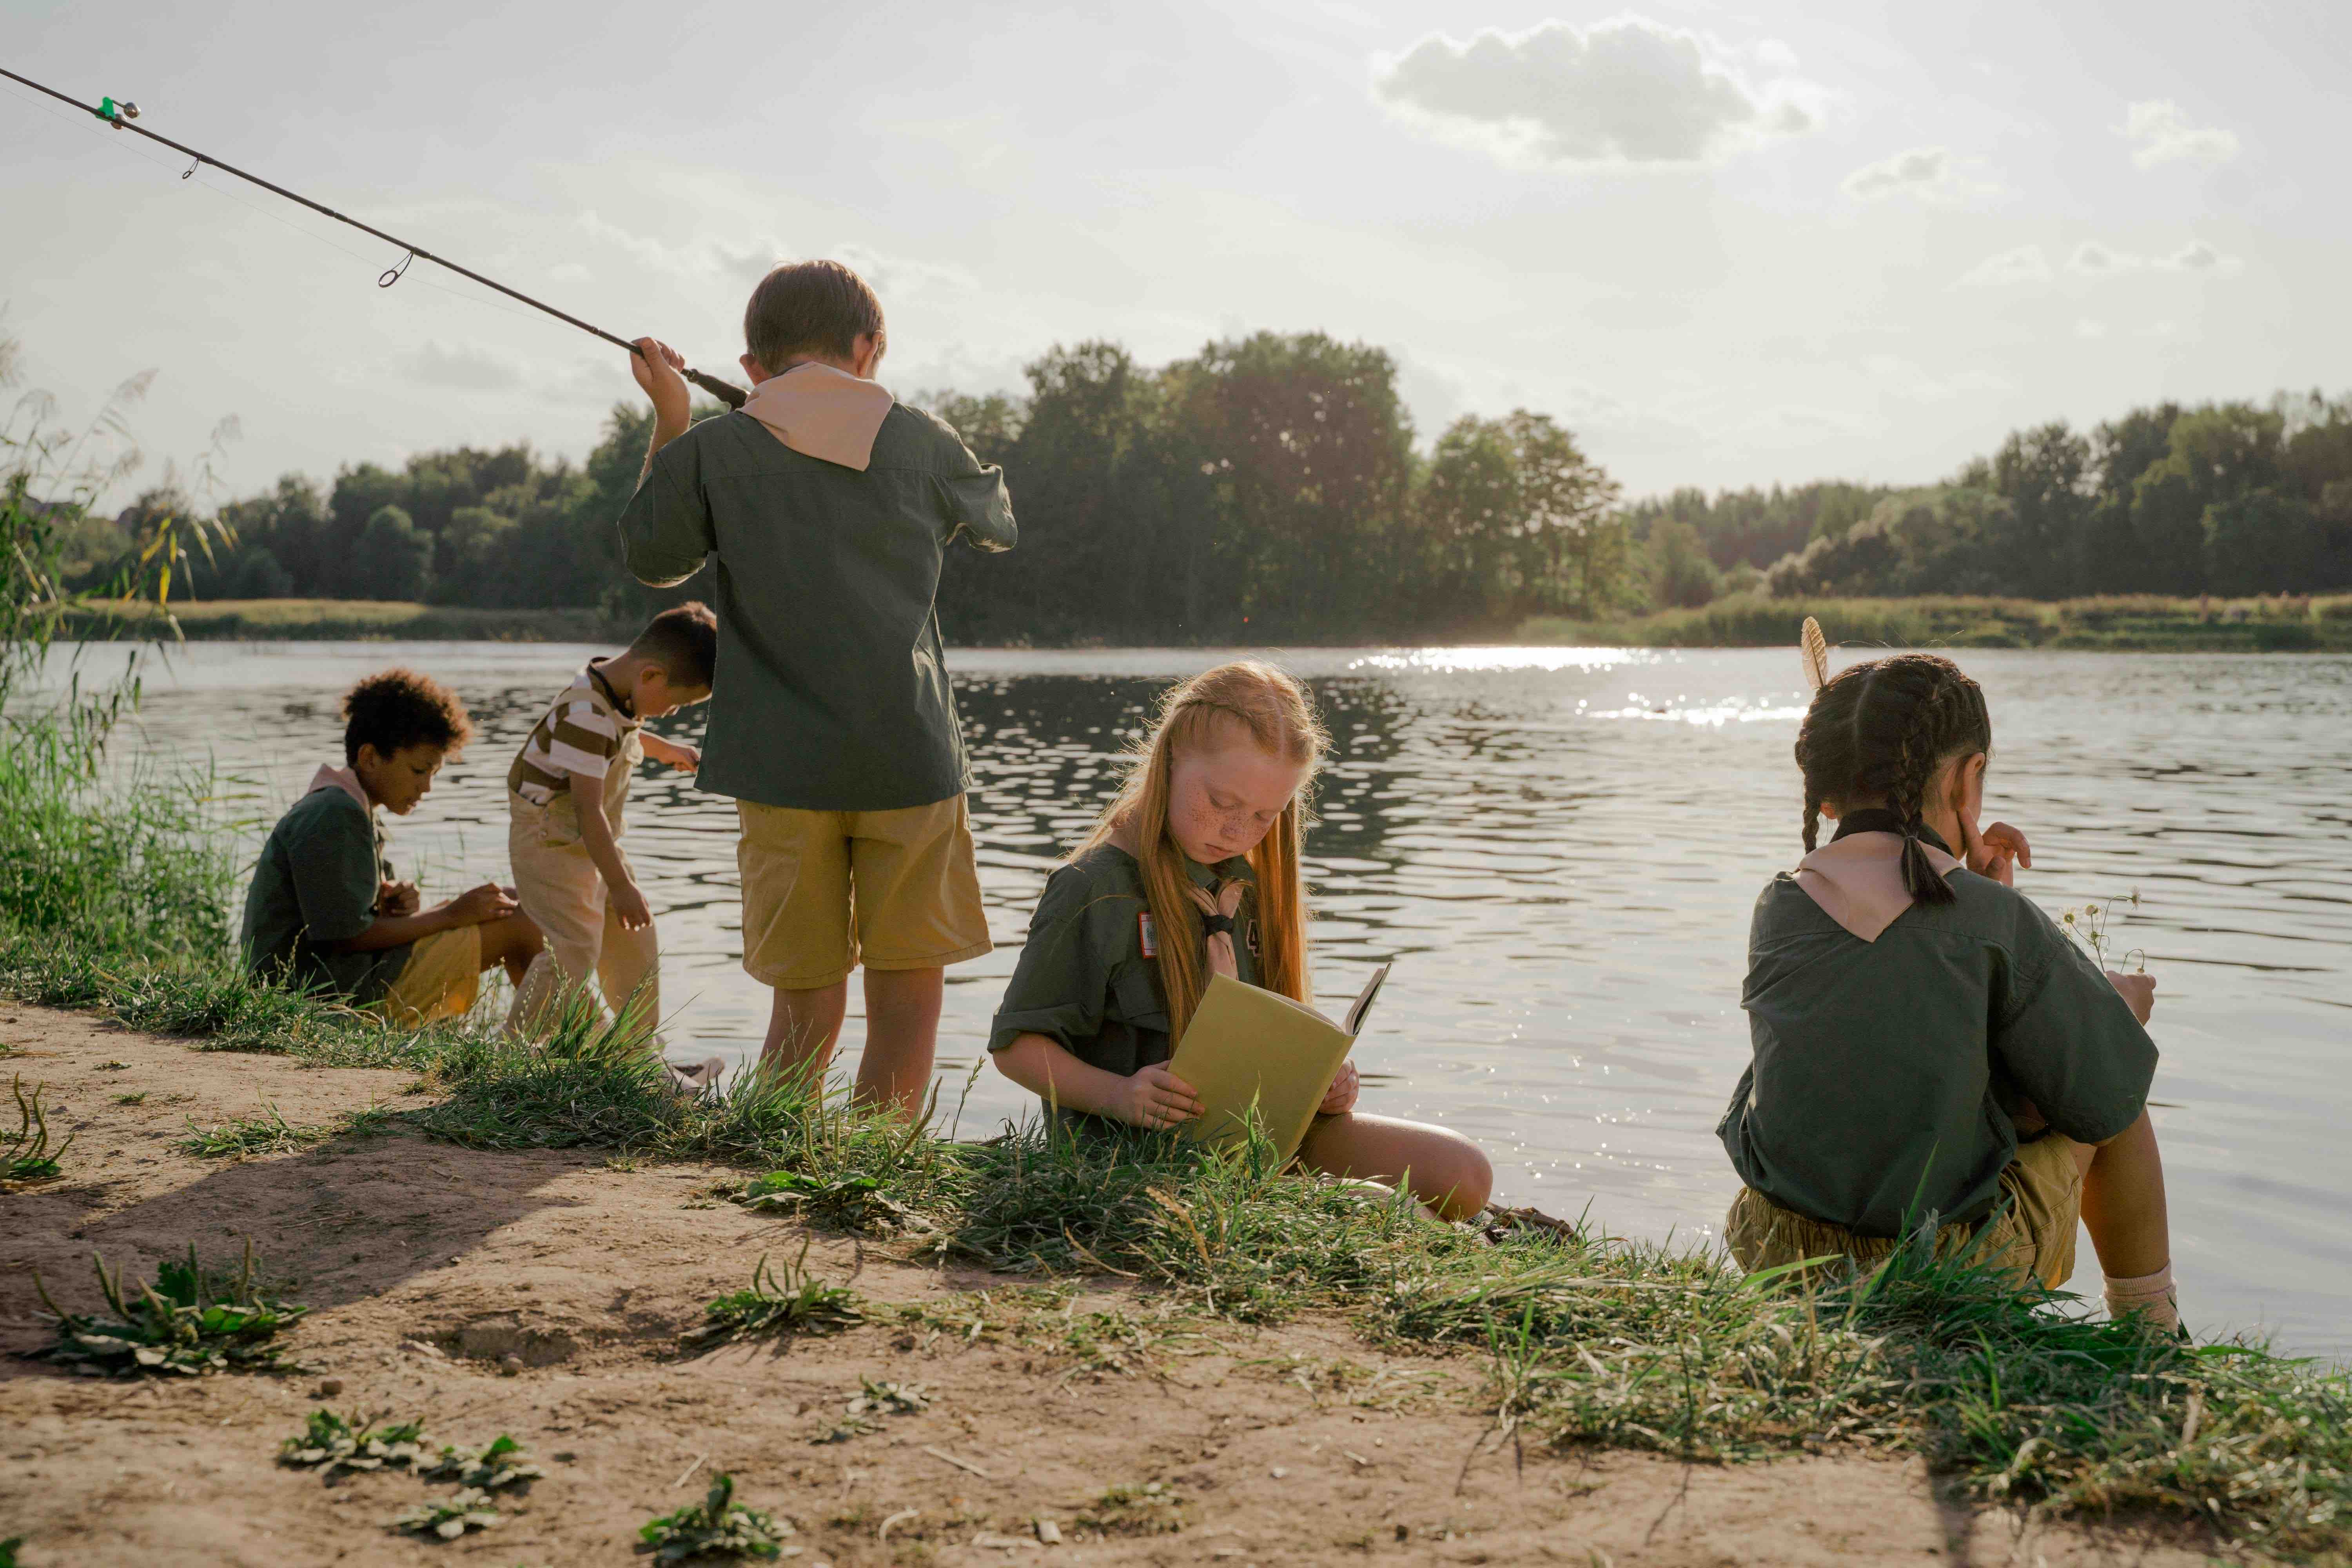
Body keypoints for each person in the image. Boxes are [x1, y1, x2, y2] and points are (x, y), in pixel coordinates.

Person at [618, 259, 1016, 1114]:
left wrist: (676, 418)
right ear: (870, 348)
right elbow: (997, 523)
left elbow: (653, 558)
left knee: (804, 989)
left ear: (753, 366)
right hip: (908, 757)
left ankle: (781, 1137)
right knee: (907, 986)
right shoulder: (923, 437)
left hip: (779, 764)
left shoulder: (713, 450)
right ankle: (877, 1160)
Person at [1718, 652, 2179, 1330]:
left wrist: (1988, 899)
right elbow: (2101, 1094)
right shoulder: (1992, 921)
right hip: (1941, 1267)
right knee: (2121, 1092)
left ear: (1823, 795)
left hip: (1781, 1249)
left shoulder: (1780, 906)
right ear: (1970, 778)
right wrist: (2120, 1010)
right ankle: (2152, 1333)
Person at [986, 661, 1494, 1221]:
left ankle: (1297, 1194)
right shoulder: (1093, 890)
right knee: (1380, 1212)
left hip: (1256, 1141)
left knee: (1464, 1174)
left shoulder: (1246, 886)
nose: (1237, 831)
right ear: (1171, 759)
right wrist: (1119, 1095)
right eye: (1223, 803)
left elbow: (1269, 1034)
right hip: (1136, 1156)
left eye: (1263, 815)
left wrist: (1321, 1082)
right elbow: (1017, 1049)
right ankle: (1303, 1209)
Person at [241, 669, 543, 1025]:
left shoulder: (352, 807)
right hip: (322, 1002)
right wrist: (450, 915)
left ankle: (550, 1043)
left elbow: (338, 917)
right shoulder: (334, 813)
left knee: (513, 900)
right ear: (370, 758)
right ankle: (569, 1049)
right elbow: (345, 938)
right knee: (522, 920)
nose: (427, 788)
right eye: (418, 771)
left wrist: (388, 906)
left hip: (342, 982)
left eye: (434, 774)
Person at [505, 602, 713, 1053]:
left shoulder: (615, 692)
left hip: (589, 840)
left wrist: (664, 748)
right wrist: (619, 885)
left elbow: (625, 736)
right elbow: (587, 809)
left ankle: (635, 1056)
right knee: (573, 949)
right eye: (677, 702)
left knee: (635, 939)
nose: (673, 711)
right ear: (651, 676)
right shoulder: (586, 712)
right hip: (550, 840)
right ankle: (509, 1051)